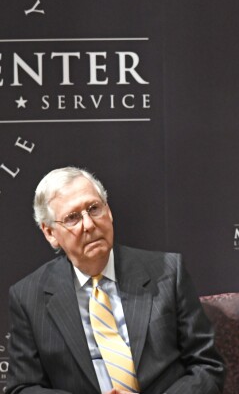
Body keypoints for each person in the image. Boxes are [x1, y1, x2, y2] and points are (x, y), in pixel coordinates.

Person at [7, 167, 225, 394]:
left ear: (108, 211)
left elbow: (207, 367)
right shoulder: (28, 296)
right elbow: (22, 388)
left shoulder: (168, 273)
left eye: (94, 209)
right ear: (50, 233)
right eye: (72, 218)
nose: (89, 225)